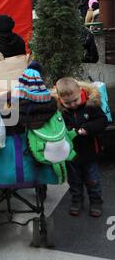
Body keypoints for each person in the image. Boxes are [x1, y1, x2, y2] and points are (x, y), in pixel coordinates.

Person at [55, 77, 108, 217]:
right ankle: (76, 200)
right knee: (74, 181)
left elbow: (102, 121)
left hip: (89, 153)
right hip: (70, 154)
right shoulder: (60, 111)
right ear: (60, 99)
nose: (72, 105)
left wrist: (88, 128)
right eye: (67, 103)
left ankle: (96, 201)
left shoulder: (91, 106)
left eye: (75, 100)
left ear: (81, 91)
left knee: (92, 180)